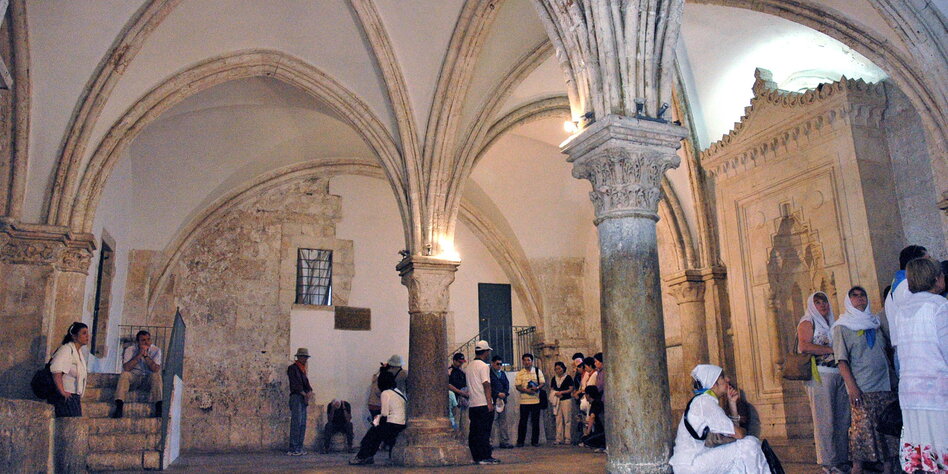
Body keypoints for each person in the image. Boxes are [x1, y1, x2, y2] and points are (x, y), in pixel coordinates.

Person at [832, 286, 898, 473]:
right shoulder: (842, 327)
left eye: (863, 295)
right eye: (855, 296)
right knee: (862, 430)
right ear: (848, 301)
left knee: (886, 428)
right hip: (862, 386)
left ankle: (888, 468)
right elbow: (842, 361)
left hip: (884, 384)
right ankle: (857, 468)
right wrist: (852, 387)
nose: (860, 298)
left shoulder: (874, 323)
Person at [892, 258, 947, 473]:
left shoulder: (902, 310)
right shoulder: (939, 306)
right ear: (935, 278)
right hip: (938, 394)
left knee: (924, 456)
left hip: (911, 395)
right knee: (941, 451)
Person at [669, 364, 770, 473]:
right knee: (749, 444)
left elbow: (733, 433)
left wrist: (732, 404)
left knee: (738, 461)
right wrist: (744, 431)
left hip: (692, 461)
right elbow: (739, 434)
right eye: (722, 377)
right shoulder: (705, 402)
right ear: (713, 383)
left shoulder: (703, 401)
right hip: (690, 464)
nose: (728, 380)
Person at [797, 291, 850, 473]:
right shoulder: (808, 321)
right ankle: (828, 462)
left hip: (838, 373)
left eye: (824, 301)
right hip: (820, 374)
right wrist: (832, 349)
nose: (823, 305)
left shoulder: (833, 322)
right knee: (825, 420)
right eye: (818, 302)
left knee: (842, 418)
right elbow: (804, 346)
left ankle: (842, 458)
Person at [350, 372, 407, 465]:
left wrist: (376, 419)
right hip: (401, 423)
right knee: (376, 433)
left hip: (392, 423)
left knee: (370, 436)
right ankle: (368, 456)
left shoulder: (385, 393)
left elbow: (384, 413)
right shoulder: (399, 392)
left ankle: (362, 457)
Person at [885, 245, 928, 355]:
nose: (931, 265)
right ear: (915, 264)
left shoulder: (899, 285)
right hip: (913, 350)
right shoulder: (906, 287)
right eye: (927, 260)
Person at [113, 330, 162, 418]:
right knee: (124, 375)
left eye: (148, 339)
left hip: (147, 379)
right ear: (138, 342)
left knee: (156, 376)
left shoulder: (156, 350)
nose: (146, 342)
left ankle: (159, 406)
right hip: (134, 378)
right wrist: (139, 354)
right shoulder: (130, 350)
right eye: (143, 340)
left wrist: (146, 356)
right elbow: (126, 368)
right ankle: (119, 405)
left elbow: (155, 369)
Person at [466, 341, 500, 465]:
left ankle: (476, 456)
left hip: (473, 404)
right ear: (485, 352)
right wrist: (489, 403)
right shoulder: (484, 366)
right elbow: (486, 384)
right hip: (483, 403)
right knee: (484, 431)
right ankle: (485, 456)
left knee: (474, 431)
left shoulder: (469, 366)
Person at [49, 322, 89, 418]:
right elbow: (56, 370)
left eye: (87, 333)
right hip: (66, 397)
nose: (87, 336)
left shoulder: (78, 353)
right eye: (84, 333)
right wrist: (62, 392)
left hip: (74, 397)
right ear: (74, 336)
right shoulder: (66, 349)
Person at [286, 348, 313, 456]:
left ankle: (299, 447)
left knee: (302, 424)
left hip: (303, 398)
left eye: (306, 357)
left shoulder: (303, 369)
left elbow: (307, 384)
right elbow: (295, 384)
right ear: (299, 357)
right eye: (304, 357)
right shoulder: (292, 368)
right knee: (296, 423)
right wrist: (304, 394)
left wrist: (309, 392)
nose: (305, 359)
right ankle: (293, 448)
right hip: (297, 397)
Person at [515, 352, 545, 447]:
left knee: (535, 422)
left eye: (528, 360)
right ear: (522, 362)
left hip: (535, 400)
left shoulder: (537, 371)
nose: (527, 362)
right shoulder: (520, 373)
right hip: (524, 401)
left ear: (532, 361)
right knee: (523, 421)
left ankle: (535, 441)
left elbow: (542, 383)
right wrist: (526, 390)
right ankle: (520, 441)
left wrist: (537, 388)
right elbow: (517, 386)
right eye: (525, 360)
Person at [489, 355, 513, 449]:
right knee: (492, 422)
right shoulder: (489, 374)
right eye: (497, 364)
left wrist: (504, 393)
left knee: (503, 422)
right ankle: (490, 442)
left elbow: (506, 384)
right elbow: (489, 386)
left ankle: (504, 441)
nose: (499, 366)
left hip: (502, 400)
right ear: (492, 363)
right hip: (493, 400)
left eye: (500, 364)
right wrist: (497, 393)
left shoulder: (502, 374)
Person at [550, 361, 574, 445]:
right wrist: (555, 393)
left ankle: (568, 438)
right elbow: (552, 388)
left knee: (567, 419)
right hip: (557, 400)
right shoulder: (554, 378)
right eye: (556, 369)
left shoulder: (568, 378)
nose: (558, 370)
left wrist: (562, 392)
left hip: (566, 399)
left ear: (563, 369)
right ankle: (559, 438)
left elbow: (571, 389)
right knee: (558, 419)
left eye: (559, 368)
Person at [448, 352, 469, 436]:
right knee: (456, 420)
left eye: (462, 362)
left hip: (464, 400)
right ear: (454, 361)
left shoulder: (462, 372)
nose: (461, 364)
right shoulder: (450, 371)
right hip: (455, 400)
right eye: (459, 362)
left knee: (464, 422)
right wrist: (460, 392)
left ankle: (464, 438)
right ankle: (455, 437)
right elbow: (448, 385)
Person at [580, 385, 605, 451]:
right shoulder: (598, 402)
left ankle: (601, 445)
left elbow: (592, 417)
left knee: (585, 439)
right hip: (600, 431)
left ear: (588, 395)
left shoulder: (595, 403)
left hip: (601, 431)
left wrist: (587, 432)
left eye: (585, 394)